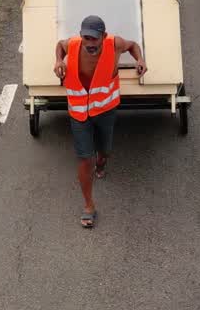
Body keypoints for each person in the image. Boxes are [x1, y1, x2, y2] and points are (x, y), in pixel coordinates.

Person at [53, 15, 146, 229]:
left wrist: (139, 60)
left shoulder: (115, 44)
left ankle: (103, 161)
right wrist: (58, 60)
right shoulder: (73, 44)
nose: (90, 43)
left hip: (105, 111)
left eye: (94, 39)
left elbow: (133, 46)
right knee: (85, 159)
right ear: (81, 36)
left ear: (103, 37)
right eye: (86, 38)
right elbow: (60, 45)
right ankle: (88, 206)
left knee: (104, 151)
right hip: (78, 113)